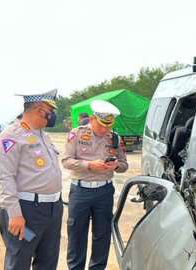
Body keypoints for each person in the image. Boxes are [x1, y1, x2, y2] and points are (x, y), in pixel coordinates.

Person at [0, 89, 63, 270]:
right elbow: (5, 177)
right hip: (27, 209)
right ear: (41, 110)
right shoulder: (11, 136)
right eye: (51, 111)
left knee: (48, 261)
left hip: (52, 208)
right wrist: (15, 214)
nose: (53, 115)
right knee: (19, 261)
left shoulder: (43, 135)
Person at [62, 100, 128, 270]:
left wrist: (116, 166)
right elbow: (66, 161)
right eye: (101, 126)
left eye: (108, 126)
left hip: (104, 192)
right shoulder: (76, 134)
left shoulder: (114, 138)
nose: (105, 130)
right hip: (80, 190)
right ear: (92, 119)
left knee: (102, 234)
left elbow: (124, 164)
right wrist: (89, 165)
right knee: (77, 234)